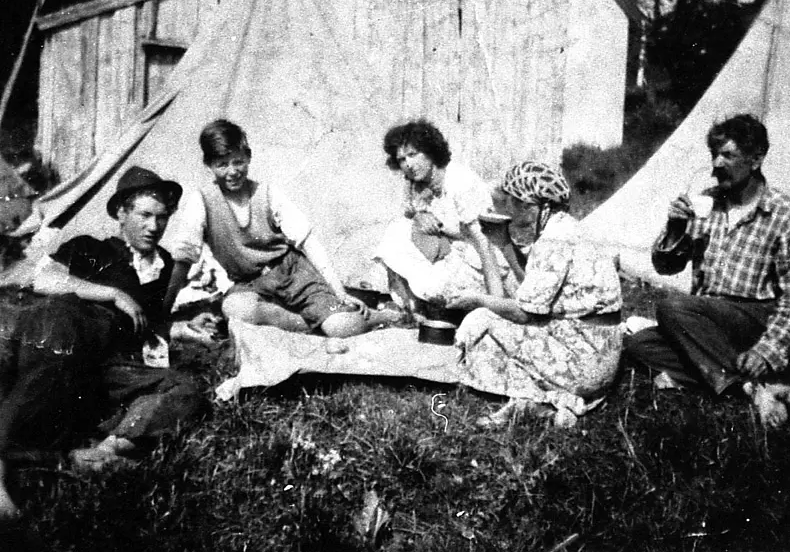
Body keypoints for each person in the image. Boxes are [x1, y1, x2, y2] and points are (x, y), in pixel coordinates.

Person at [0, 166, 206, 519]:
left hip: (107, 360)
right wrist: (109, 293)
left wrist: (184, 328)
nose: (153, 227)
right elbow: (39, 277)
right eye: (143, 215)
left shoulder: (163, 264)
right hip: (66, 325)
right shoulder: (94, 249)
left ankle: (105, 449)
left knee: (186, 388)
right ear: (121, 214)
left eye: (161, 217)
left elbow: (148, 321)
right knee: (41, 382)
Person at [622, 114, 790, 429]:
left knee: (672, 307)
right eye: (715, 155)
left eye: (728, 155)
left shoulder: (785, 215)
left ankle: (737, 371)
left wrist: (765, 351)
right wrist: (675, 228)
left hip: (751, 319)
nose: (717, 163)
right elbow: (666, 266)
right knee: (638, 345)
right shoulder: (706, 204)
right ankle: (754, 387)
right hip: (705, 321)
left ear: (756, 159)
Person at [167, 119, 396, 338]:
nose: (232, 171)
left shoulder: (267, 194)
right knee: (236, 309)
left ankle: (379, 316)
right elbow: (184, 256)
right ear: (209, 165)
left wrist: (339, 291)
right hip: (250, 284)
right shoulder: (202, 201)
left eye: (238, 162)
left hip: (293, 273)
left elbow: (308, 241)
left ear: (248, 157)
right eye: (222, 165)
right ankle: (310, 323)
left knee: (341, 327)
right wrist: (164, 309)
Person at [446, 161, 624, 429]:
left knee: (479, 322)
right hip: (601, 355)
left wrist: (477, 300)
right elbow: (532, 291)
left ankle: (543, 403)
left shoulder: (553, 240)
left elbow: (523, 312)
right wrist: (503, 243)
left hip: (582, 361)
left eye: (511, 202)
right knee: (492, 324)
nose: (505, 209)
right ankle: (543, 407)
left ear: (529, 204)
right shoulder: (567, 228)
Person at [374, 119, 511, 314]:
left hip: (480, 262)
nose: (409, 165)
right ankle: (413, 309)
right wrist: (419, 215)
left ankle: (458, 306)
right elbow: (410, 210)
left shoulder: (460, 182)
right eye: (402, 160)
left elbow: (485, 243)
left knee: (434, 289)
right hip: (451, 254)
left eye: (413, 155)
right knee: (397, 232)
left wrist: (497, 303)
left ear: (431, 152)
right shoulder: (416, 182)